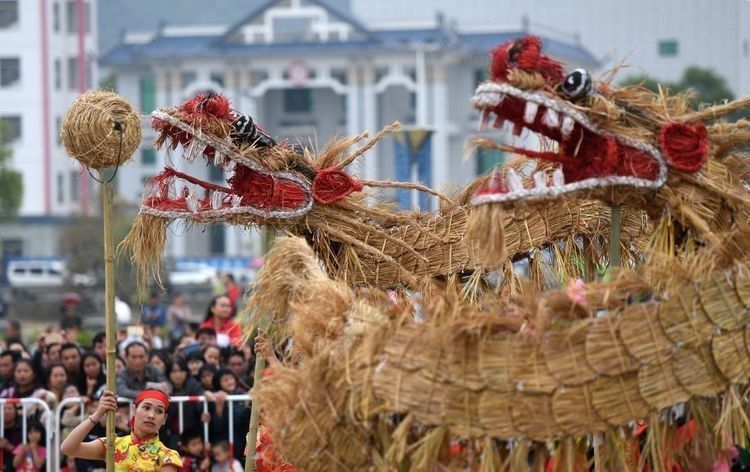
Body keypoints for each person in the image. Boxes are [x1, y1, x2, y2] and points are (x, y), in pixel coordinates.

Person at [60, 389, 183, 471]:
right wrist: (97, 414)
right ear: (134, 410)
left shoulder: (168, 456)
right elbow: (68, 448)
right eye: (146, 408)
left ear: (164, 419)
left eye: (159, 411)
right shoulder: (114, 445)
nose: (151, 415)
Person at [0, 403, 23, 471]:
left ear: (16, 412)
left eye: (10, 408)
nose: (7, 411)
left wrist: (8, 446)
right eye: (4, 409)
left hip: (16, 467)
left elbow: (25, 452)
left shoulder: (23, 428)